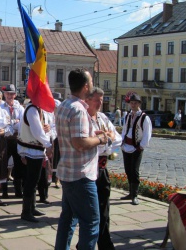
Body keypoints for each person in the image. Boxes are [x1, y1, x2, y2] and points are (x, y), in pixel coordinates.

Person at [55, 69, 107, 250]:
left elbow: (73, 137)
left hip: (68, 172)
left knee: (68, 220)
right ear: (86, 86)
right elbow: (79, 143)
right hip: (81, 176)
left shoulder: (64, 105)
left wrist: (92, 134)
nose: (92, 84)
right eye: (91, 81)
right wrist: (100, 139)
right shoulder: (78, 110)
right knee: (92, 222)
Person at [84, 87, 122, 250]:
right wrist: (105, 140)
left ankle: (105, 244)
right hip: (88, 170)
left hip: (102, 169)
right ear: (88, 100)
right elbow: (89, 145)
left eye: (102, 99)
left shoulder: (103, 117)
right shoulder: (84, 118)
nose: (100, 103)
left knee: (104, 210)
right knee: (90, 213)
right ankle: (85, 243)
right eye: (97, 100)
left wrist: (105, 139)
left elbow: (118, 140)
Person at [17, 97, 53, 222]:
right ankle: (26, 211)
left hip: (35, 149)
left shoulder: (38, 109)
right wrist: (48, 145)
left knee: (34, 180)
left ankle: (32, 208)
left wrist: (47, 128)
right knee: (31, 181)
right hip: (31, 149)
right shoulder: (32, 109)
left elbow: (41, 128)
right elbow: (37, 131)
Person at [120, 93, 152, 206]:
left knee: (134, 170)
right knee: (128, 170)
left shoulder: (144, 117)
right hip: (126, 146)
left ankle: (135, 195)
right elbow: (125, 129)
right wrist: (122, 141)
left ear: (139, 104)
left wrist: (141, 146)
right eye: (131, 103)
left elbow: (147, 134)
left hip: (136, 147)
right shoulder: (128, 115)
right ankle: (130, 193)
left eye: (135, 103)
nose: (133, 105)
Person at [0, 84, 25, 198]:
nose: (9, 96)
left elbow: (22, 122)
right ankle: (4, 191)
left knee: (18, 164)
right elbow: (3, 123)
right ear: (4, 95)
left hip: (16, 138)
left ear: (15, 95)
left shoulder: (19, 107)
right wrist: (14, 121)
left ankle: (18, 190)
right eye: (7, 93)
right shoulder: (1, 107)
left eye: (12, 94)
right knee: (4, 164)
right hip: (5, 138)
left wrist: (13, 122)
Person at [51, 92, 63, 189]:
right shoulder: (49, 115)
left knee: (58, 159)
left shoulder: (61, 116)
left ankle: (57, 179)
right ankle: (50, 177)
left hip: (59, 140)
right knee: (51, 159)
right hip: (50, 140)